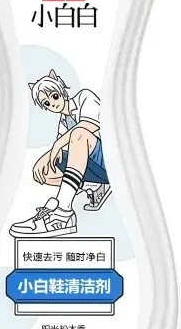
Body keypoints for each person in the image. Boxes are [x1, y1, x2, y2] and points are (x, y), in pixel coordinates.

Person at [9, 69, 110, 238]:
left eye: (54, 96)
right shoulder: (63, 124)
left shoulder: (84, 97)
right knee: (45, 170)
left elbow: (90, 125)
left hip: (109, 161)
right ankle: (92, 186)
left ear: (61, 89)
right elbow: (66, 154)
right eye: (46, 103)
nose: (53, 104)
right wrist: (46, 158)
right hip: (93, 166)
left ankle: (63, 212)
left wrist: (57, 145)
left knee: (79, 135)